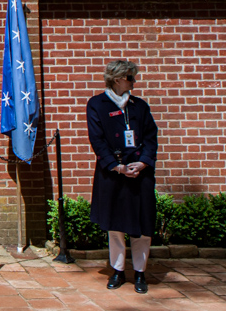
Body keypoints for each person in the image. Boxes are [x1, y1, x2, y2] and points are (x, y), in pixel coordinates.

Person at [86, 60, 158, 294]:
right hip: (113, 174)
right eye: (130, 77)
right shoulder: (96, 104)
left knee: (142, 225)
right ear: (117, 79)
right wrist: (117, 166)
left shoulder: (140, 106)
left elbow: (151, 136)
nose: (134, 82)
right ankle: (117, 271)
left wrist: (144, 162)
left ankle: (140, 272)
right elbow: (97, 140)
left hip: (140, 174)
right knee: (115, 226)